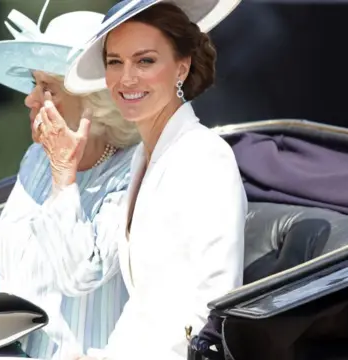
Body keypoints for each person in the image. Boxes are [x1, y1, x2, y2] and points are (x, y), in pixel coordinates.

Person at [37, 0, 246, 359]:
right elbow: (134, 301)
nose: (127, 78)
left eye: (145, 61)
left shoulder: (205, 157)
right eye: (115, 62)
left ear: (181, 67)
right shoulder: (142, 158)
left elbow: (213, 307)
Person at [0, 5, 141, 360]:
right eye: (34, 83)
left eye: (47, 87)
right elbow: (28, 258)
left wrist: (65, 176)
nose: (29, 98)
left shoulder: (135, 172)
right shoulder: (37, 159)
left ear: (96, 104)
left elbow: (81, 274)